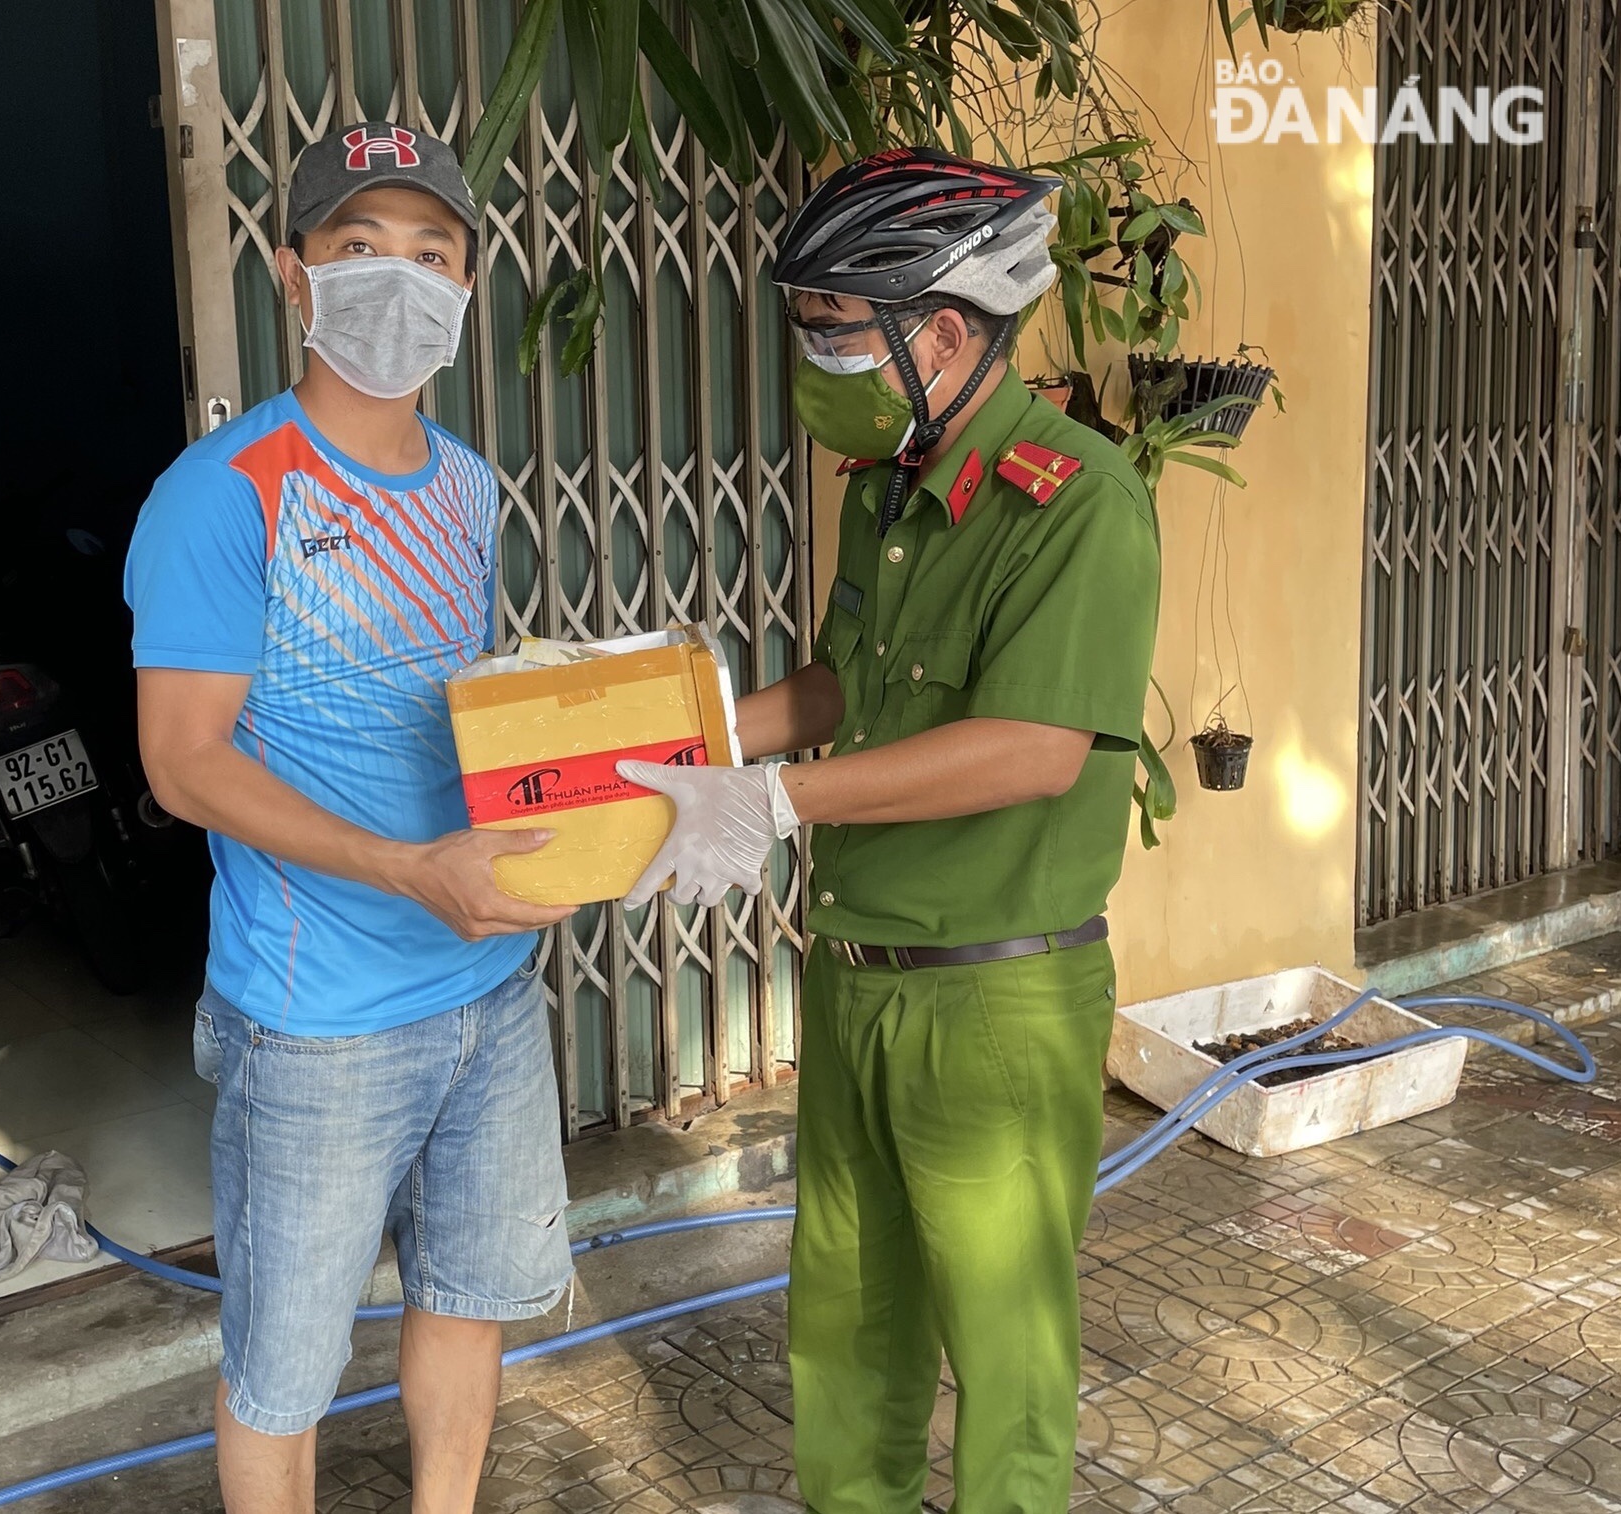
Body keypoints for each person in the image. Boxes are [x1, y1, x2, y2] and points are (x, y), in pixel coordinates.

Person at [619, 148, 1162, 1514]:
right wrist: (698, 744)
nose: (815, 361)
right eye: (806, 325)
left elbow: (1035, 748)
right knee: (849, 1327)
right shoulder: (889, 490)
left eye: (836, 332)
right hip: (859, 979)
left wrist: (780, 800)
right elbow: (845, 686)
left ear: (941, 330)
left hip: (995, 997)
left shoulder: (1079, 498)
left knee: (1005, 1353)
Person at [125, 122, 576, 1514]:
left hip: (488, 985)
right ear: (293, 274)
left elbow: (454, 715)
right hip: (316, 1015)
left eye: (429, 253)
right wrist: (403, 867)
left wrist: (591, 765)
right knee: (283, 1367)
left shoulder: (466, 485)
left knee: (469, 1294)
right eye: (358, 249)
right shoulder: (222, 497)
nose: (399, 280)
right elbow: (184, 762)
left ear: (469, 281)